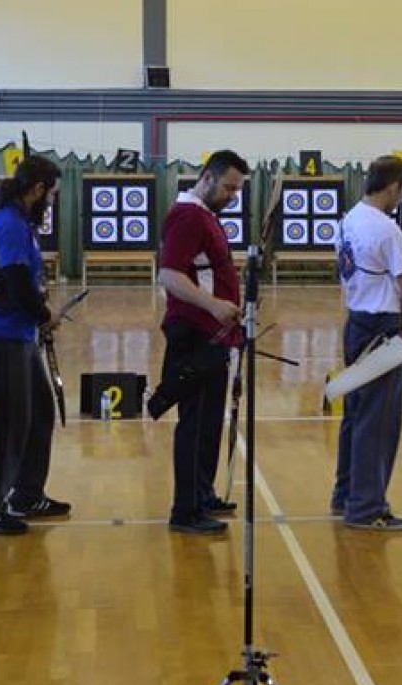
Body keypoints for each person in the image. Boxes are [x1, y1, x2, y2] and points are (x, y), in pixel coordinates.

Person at [0, 155, 70, 535]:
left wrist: (38, 317)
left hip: (18, 335)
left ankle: (26, 494)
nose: (52, 202)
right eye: (52, 194)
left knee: (39, 412)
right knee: (5, 424)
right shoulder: (10, 223)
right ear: (39, 189)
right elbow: (14, 282)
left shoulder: (14, 220)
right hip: (2, 336)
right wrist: (44, 315)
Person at [156, 150, 249, 535]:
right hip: (195, 332)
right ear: (207, 178)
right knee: (195, 422)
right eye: (228, 187)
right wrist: (213, 305)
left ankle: (202, 494)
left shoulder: (205, 216)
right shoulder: (188, 216)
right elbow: (169, 275)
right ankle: (186, 510)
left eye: (238, 189)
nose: (233, 195)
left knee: (210, 420)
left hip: (213, 334)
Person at [330, 155, 402, 531]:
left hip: (356, 322)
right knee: (378, 421)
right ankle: (366, 508)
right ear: (394, 186)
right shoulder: (387, 229)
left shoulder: (347, 219)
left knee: (356, 414)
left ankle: (345, 495)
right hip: (382, 323)